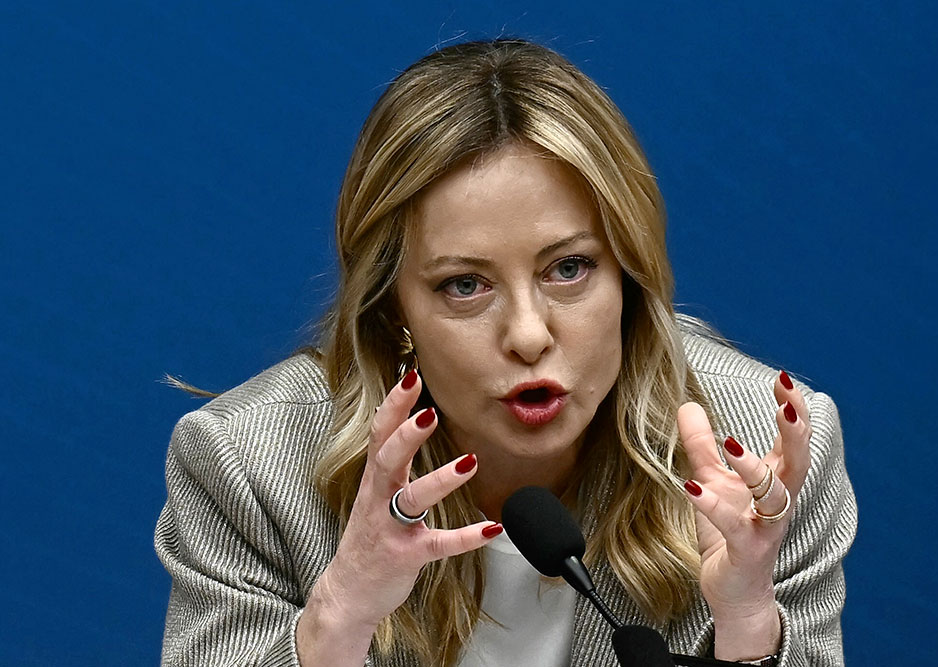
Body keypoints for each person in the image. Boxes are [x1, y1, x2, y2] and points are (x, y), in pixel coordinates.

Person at [154, 38, 857, 667]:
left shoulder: (764, 462)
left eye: (569, 269)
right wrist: (335, 622)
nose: (528, 334)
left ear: (630, 277)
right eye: (465, 284)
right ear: (393, 307)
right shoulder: (251, 469)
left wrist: (748, 624)